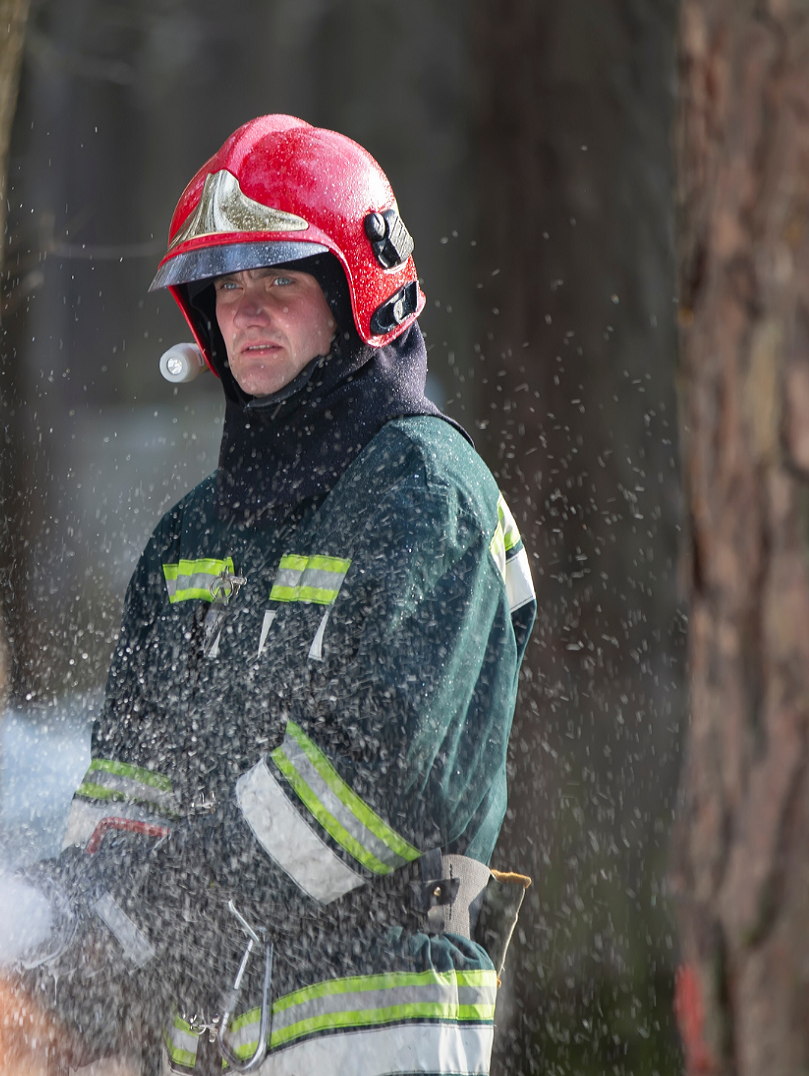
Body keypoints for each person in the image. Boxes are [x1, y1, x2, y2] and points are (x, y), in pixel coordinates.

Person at [33, 114, 536, 1076]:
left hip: (376, 1027)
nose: (248, 313)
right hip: (205, 1038)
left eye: (282, 282)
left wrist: (169, 896)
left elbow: (384, 775)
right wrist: (80, 916)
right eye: (228, 289)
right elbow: (130, 772)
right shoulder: (192, 535)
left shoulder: (422, 491)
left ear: (356, 298)